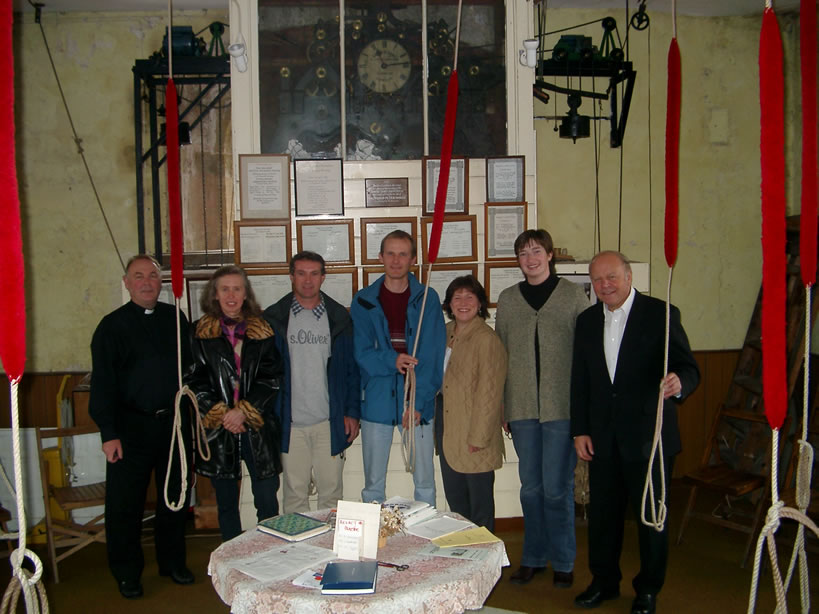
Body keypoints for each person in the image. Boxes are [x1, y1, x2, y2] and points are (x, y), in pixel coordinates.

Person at [570, 251, 700, 614]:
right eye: (597, 280)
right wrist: (580, 430)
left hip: (649, 439)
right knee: (603, 518)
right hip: (602, 439)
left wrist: (679, 382)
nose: (604, 285)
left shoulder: (661, 314)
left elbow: (688, 367)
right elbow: (580, 380)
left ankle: (648, 590)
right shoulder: (586, 321)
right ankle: (604, 582)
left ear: (629, 276)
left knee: (650, 519)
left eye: (611, 277)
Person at [89, 255, 194, 599]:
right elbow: (103, 384)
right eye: (139, 276)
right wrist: (108, 433)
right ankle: (127, 573)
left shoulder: (175, 318)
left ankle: (172, 563)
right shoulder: (111, 327)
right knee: (125, 506)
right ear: (127, 283)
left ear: (161, 282)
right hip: (129, 429)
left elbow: (189, 370)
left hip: (173, 426)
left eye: (152, 275)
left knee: (174, 498)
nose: (147, 282)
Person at [494, 229, 590, 588]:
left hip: (561, 407)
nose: (530, 259)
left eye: (536, 251)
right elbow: (501, 354)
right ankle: (533, 557)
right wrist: (503, 404)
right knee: (531, 488)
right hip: (521, 407)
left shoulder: (572, 296)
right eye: (523, 253)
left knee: (557, 488)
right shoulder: (508, 299)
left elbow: (587, 352)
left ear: (550, 255)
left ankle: (563, 560)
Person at [184, 265, 283, 541]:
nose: (231, 295)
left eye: (237, 289)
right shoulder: (199, 333)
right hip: (219, 429)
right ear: (214, 294)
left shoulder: (263, 331)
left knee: (267, 500)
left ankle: (269, 553)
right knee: (226, 505)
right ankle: (231, 558)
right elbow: (194, 380)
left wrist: (244, 412)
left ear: (245, 294)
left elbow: (272, 378)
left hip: (257, 427)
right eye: (225, 289)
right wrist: (224, 415)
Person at [350, 230, 445, 506]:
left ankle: (424, 532)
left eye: (403, 254)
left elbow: (433, 355)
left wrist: (419, 401)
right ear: (380, 257)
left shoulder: (427, 298)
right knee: (373, 485)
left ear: (413, 259)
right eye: (390, 253)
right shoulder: (364, 300)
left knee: (424, 482)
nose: (396, 260)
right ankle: (374, 532)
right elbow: (361, 353)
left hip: (416, 401)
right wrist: (392, 360)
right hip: (376, 400)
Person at [263, 251, 361, 513]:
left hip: (328, 422)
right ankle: (299, 542)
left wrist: (352, 412)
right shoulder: (274, 319)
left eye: (314, 273)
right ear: (291, 276)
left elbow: (351, 371)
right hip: (290, 424)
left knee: (332, 497)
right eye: (301, 273)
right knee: (295, 496)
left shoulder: (339, 318)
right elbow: (265, 373)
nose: (308, 280)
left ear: (323, 277)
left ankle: (329, 541)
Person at [437, 275, 507, 531]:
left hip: (475, 435)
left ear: (480, 304)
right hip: (448, 431)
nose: (463, 303)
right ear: (449, 304)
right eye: (457, 297)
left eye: (470, 297)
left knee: (480, 508)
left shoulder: (486, 339)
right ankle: (463, 554)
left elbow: (490, 393)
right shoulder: (445, 333)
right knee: (457, 504)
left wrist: (478, 437)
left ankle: (486, 556)